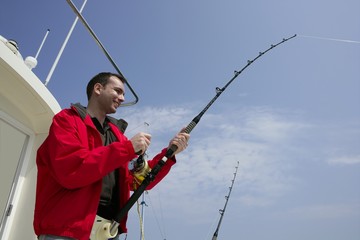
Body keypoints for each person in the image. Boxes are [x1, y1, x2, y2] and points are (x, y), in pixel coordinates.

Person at [33, 72, 190, 240]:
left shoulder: (117, 136)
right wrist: (128, 148)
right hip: (66, 231)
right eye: (117, 91)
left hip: (108, 233)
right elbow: (72, 169)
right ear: (98, 89)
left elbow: (135, 181)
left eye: (123, 94)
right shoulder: (66, 121)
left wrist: (169, 153)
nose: (122, 98)